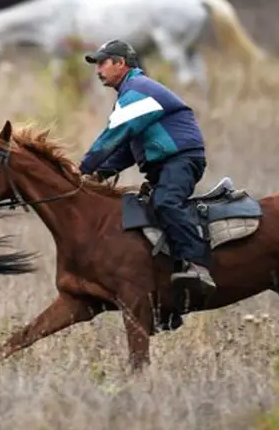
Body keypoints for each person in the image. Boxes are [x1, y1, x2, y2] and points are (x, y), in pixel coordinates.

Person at [77, 39, 215, 290]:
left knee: (166, 202)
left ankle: (198, 266)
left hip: (180, 161)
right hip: (166, 164)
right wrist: (100, 173)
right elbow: (127, 150)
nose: (98, 71)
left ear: (121, 63)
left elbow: (112, 136)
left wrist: (82, 169)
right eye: (96, 65)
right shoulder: (132, 92)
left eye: (102, 63)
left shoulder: (138, 90)